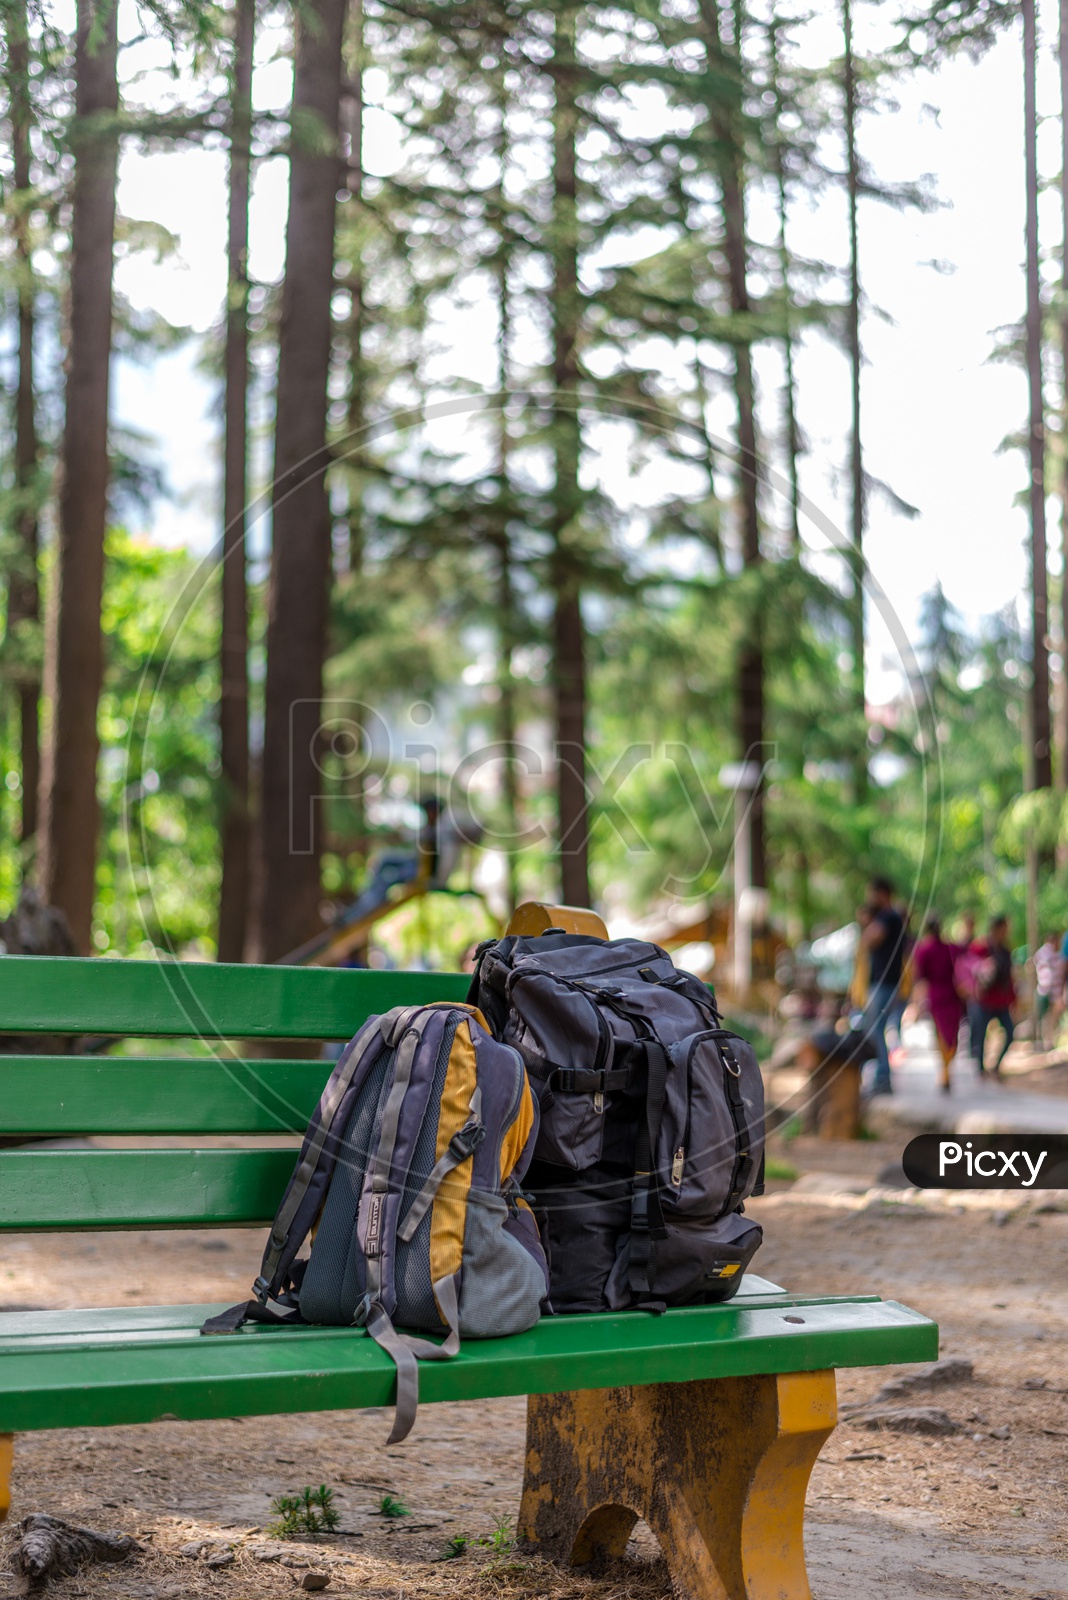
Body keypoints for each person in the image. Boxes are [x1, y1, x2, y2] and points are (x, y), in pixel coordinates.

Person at [859, 876, 907, 1095]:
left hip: (884, 983)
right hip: (884, 983)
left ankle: (883, 1079)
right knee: (874, 1030)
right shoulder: (890, 917)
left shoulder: (889, 917)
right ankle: (881, 1078)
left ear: (882, 894)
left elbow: (870, 939)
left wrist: (867, 923)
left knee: (875, 1030)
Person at [910, 915, 964, 1093]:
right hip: (953, 996)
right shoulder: (951, 948)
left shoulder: (924, 950)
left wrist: (917, 1003)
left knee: (941, 1035)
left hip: (938, 997)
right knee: (951, 1036)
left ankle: (945, 1072)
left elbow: (919, 978)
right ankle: (947, 1072)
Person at [968, 914, 1016, 1075]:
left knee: (1010, 1033)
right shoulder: (981, 948)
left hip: (1001, 1002)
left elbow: (1010, 978)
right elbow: (968, 968)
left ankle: (996, 1067)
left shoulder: (1005, 951)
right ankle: (980, 1068)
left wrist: (1013, 999)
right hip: (983, 1000)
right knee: (980, 1035)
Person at [1033, 932, 1064, 1049]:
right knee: (1046, 1019)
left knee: (1048, 1019)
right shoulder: (1047, 954)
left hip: (1049, 992)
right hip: (1047, 992)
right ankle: (1045, 1043)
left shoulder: (1051, 956)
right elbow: (1049, 976)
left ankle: (1047, 1042)